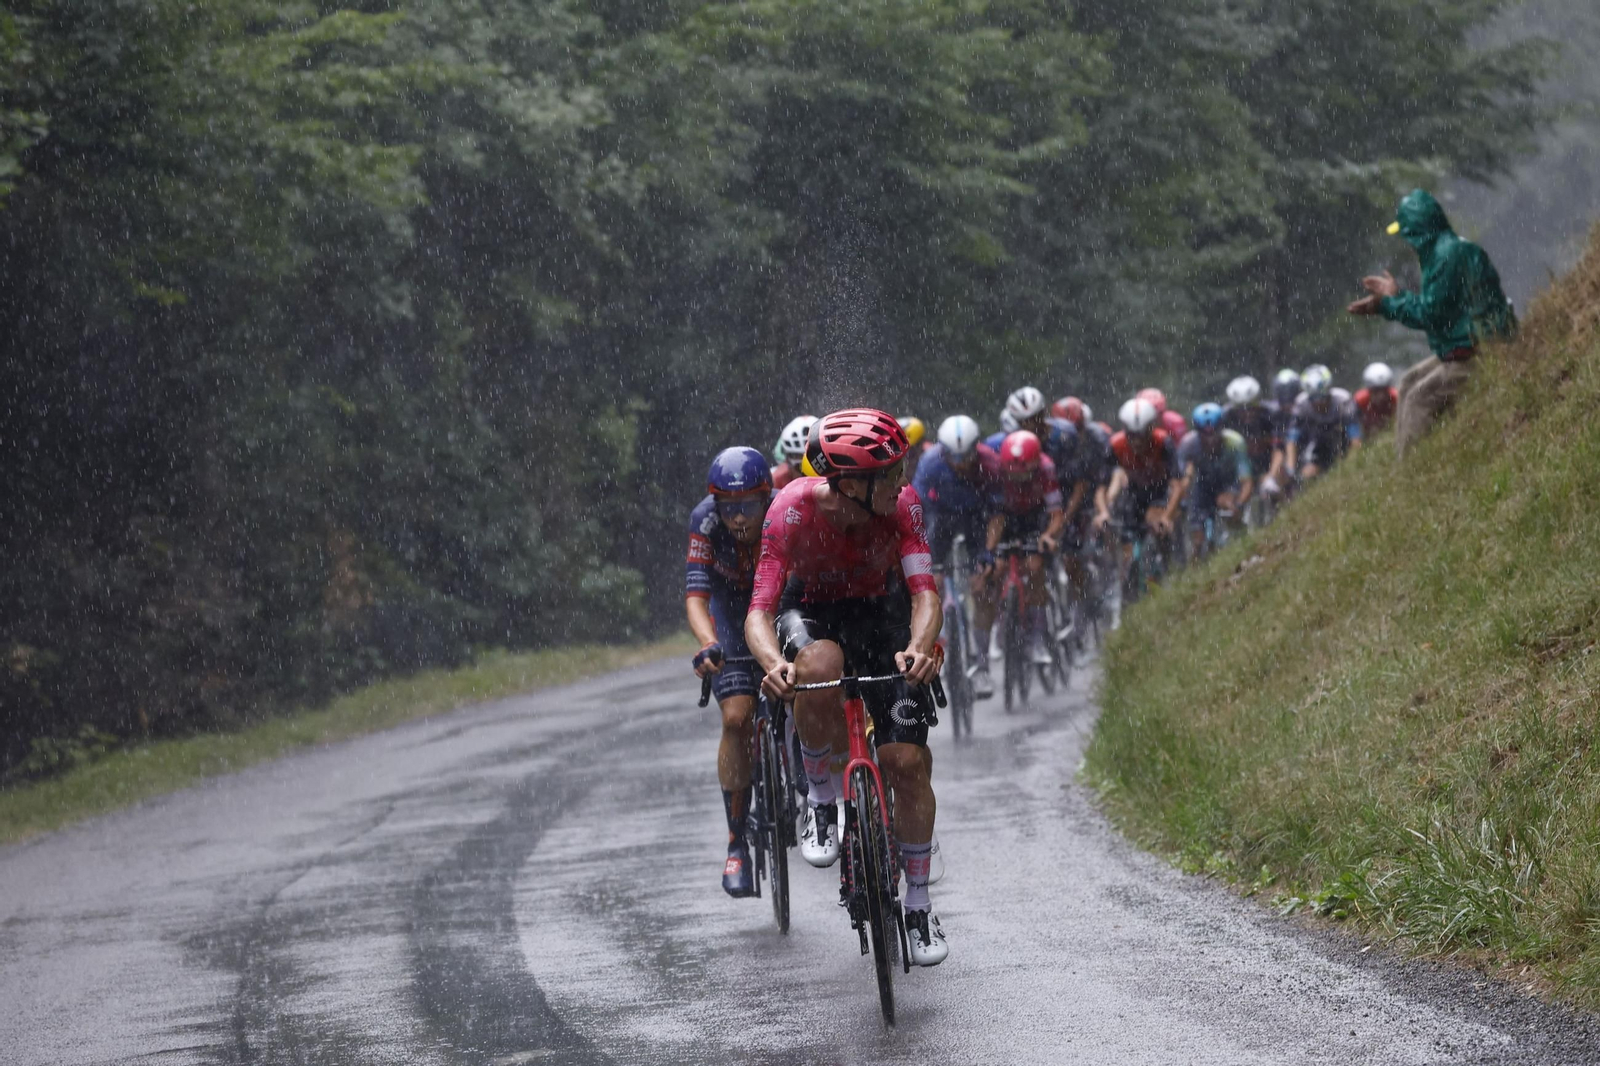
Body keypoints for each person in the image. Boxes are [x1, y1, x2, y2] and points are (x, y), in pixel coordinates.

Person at [744, 408, 949, 966]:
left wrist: (920, 646)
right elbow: (759, 611)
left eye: (902, 467)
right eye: (890, 472)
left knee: (906, 762)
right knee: (817, 664)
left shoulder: (902, 505)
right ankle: (820, 798)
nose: (902, 481)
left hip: (882, 611)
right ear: (850, 482)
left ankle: (919, 903)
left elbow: (925, 593)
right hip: (811, 612)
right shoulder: (789, 512)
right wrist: (771, 664)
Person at [1347, 188, 1516, 457]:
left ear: (1417, 232)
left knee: (1417, 400)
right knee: (1408, 381)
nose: (1407, 242)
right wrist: (1395, 296)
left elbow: (1430, 315)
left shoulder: (1446, 257)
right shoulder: (1445, 251)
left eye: (1407, 235)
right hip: (1465, 346)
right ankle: (1407, 456)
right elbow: (1437, 308)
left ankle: (1411, 472)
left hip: (1481, 350)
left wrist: (1387, 304)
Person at [685, 447, 773, 897]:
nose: (739, 518)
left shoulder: (782, 514)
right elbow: (697, 596)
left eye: (749, 507)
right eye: (729, 508)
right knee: (736, 718)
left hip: (774, 602)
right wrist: (708, 643)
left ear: (767, 498)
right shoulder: (705, 521)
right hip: (730, 612)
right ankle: (736, 841)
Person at [913, 414, 997, 698]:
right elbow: (917, 515)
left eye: (967, 456)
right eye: (955, 457)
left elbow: (996, 516)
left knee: (984, 585)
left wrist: (987, 555)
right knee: (930, 586)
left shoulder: (990, 464)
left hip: (976, 520)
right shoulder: (929, 465)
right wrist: (926, 562)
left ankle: (982, 663)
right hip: (940, 522)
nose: (961, 464)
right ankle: (934, 648)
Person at [981, 430, 1066, 666]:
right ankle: (1000, 623)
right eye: (1013, 475)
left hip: (1035, 517)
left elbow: (1057, 514)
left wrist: (1048, 536)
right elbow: (990, 512)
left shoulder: (1046, 469)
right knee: (996, 569)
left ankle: (1038, 638)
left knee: (1035, 567)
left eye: (1024, 474)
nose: (1018, 479)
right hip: (1004, 518)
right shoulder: (995, 469)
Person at [1096, 397, 1182, 590]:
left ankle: (1168, 571)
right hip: (1134, 495)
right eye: (1131, 435)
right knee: (1128, 552)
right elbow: (1101, 489)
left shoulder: (1163, 442)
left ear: (1151, 429)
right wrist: (1103, 512)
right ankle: (1128, 587)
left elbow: (1177, 486)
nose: (1136, 441)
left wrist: (1167, 516)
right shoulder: (1115, 445)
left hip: (1159, 492)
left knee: (1157, 524)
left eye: (1141, 435)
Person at [1177, 404, 1253, 557]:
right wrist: (1183, 497)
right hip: (1203, 485)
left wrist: (1239, 503)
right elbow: (1186, 476)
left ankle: (1245, 545)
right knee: (1197, 539)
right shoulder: (1188, 445)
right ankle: (1197, 565)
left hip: (1229, 483)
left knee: (1226, 504)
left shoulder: (1235, 442)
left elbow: (1246, 481)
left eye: (1214, 433)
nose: (1210, 440)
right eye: (1205, 435)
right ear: (1198, 432)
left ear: (1221, 428)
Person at [1285, 365, 1361, 480]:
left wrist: (1351, 464)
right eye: (1313, 399)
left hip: (1342, 439)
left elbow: (1355, 438)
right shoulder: (1301, 404)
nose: (1318, 403)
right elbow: (1292, 439)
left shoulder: (1343, 400)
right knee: (1307, 474)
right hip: (1319, 443)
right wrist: (1290, 466)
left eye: (1322, 397)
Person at [771, 415, 816, 489]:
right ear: (787, 461)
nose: (807, 477)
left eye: (813, 468)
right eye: (800, 468)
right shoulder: (777, 480)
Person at [1354, 362, 1398, 436]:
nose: (1380, 396)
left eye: (1383, 391)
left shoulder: (1396, 399)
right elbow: (1354, 425)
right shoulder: (1360, 401)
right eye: (1376, 391)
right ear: (1369, 390)